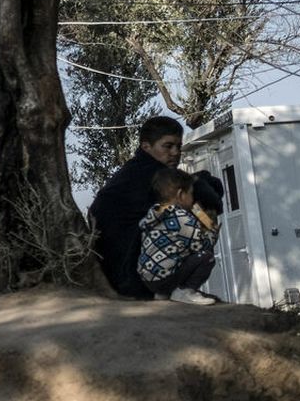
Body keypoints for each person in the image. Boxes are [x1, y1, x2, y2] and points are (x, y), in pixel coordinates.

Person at [89, 114, 223, 300]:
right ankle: (180, 289)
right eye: (167, 146)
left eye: (178, 146)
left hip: (118, 270)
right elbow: (207, 198)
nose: (175, 152)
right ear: (146, 147)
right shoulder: (154, 175)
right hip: (131, 276)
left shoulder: (134, 171)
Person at [137, 167, 219, 305]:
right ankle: (186, 292)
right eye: (191, 194)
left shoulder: (155, 214)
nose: (193, 199)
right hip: (164, 279)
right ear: (181, 195)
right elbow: (203, 245)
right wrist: (210, 226)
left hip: (148, 279)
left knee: (178, 253)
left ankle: (163, 294)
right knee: (207, 257)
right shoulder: (181, 218)